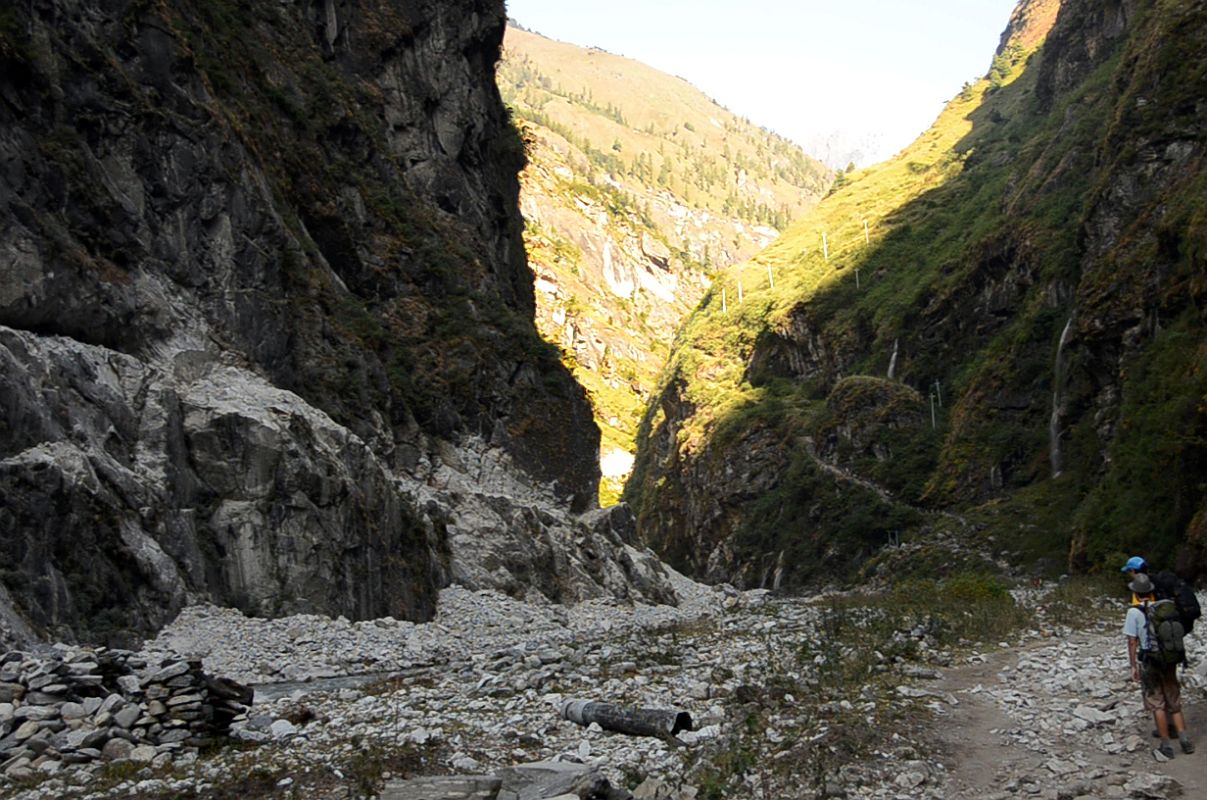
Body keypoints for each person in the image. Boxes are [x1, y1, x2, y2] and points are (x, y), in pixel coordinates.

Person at [1124, 570, 1194, 758]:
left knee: (1157, 703)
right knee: (1174, 700)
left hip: (1150, 661)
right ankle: (1185, 739)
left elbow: (1132, 641)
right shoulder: (1165, 607)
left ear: (1135, 592)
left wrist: (1132, 666)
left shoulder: (1134, 612)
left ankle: (1166, 745)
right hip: (1169, 660)